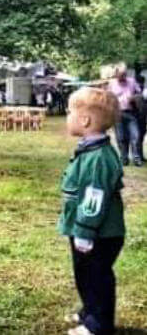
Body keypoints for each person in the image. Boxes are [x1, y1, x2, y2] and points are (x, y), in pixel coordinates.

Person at [59, 87, 125, 335]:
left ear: (84, 120)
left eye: (69, 112)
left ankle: (99, 325)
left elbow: (94, 196)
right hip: (86, 230)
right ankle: (89, 311)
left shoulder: (99, 157)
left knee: (97, 278)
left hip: (98, 233)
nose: (67, 116)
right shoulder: (89, 150)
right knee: (84, 274)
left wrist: (85, 230)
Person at [108, 64, 142, 166]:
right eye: (120, 75)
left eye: (124, 74)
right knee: (121, 138)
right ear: (116, 74)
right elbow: (108, 98)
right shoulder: (112, 83)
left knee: (135, 136)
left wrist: (134, 97)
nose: (123, 77)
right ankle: (124, 158)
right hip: (118, 114)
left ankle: (136, 158)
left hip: (131, 113)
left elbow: (139, 93)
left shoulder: (131, 81)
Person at [133, 76, 147, 162]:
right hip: (137, 118)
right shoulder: (134, 93)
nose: (140, 85)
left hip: (141, 118)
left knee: (140, 138)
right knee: (137, 137)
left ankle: (140, 155)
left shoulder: (144, 92)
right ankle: (138, 156)